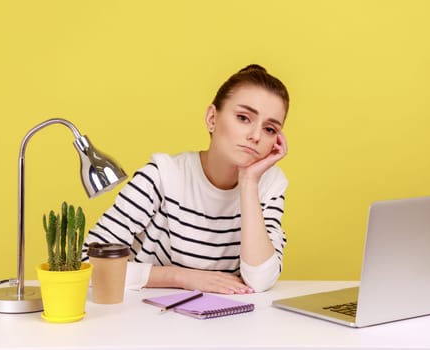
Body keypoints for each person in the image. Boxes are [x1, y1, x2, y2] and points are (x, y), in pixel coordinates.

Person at [83, 64, 290, 294]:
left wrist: (249, 182)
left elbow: (260, 280)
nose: (255, 136)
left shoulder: (270, 184)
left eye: (270, 129)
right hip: (146, 318)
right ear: (212, 118)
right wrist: (181, 277)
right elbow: (85, 263)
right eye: (243, 118)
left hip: (226, 321)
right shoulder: (162, 176)